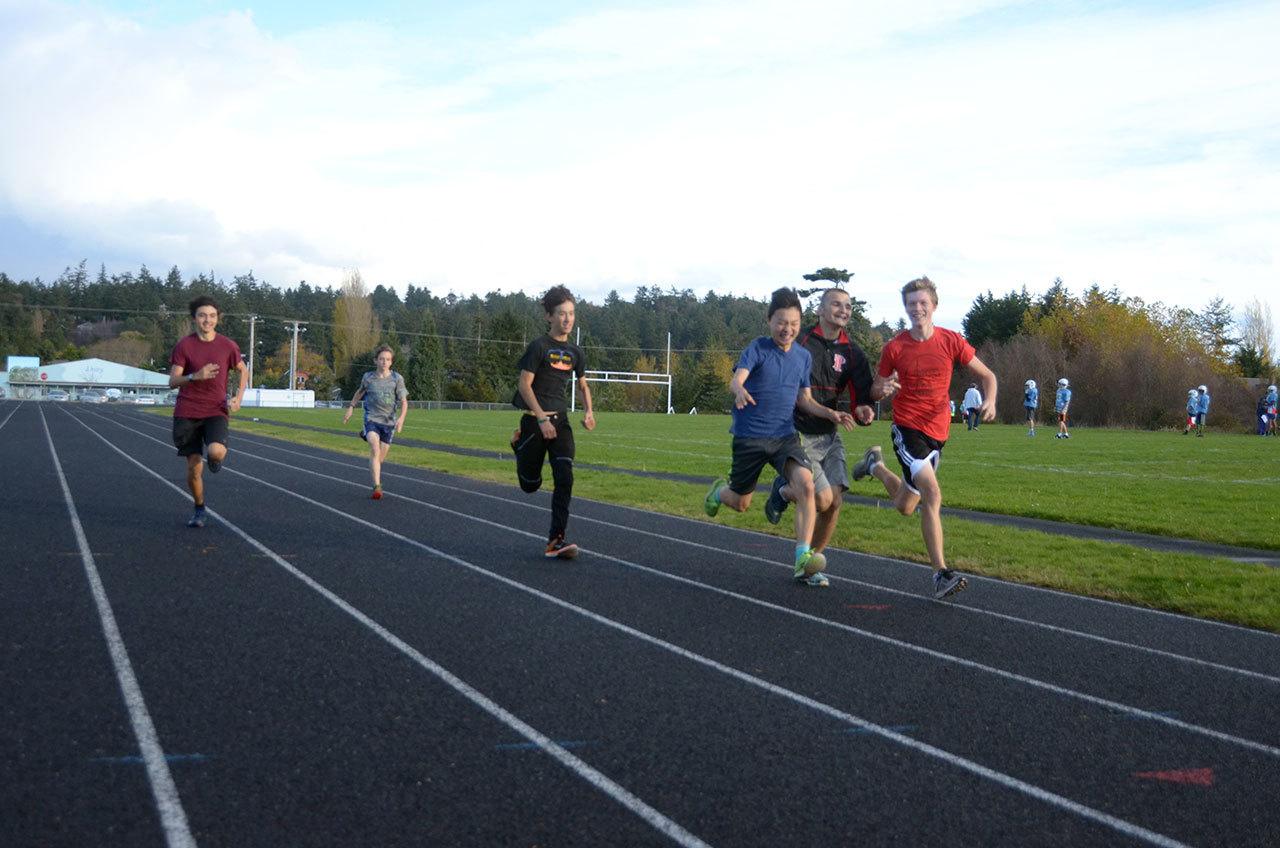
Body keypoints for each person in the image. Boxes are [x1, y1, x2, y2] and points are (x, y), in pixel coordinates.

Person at [849, 277, 997, 600]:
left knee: (905, 505)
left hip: (938, 432)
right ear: (906, 307)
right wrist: (882, 390)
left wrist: (991, 400)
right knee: (932, 493)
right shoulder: (895, 347)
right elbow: (875, 388)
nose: (916, 308)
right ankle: (940, 574)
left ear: (934, 305)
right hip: (907, 428)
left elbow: (988, 375)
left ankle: (874, 466)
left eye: (922, 303)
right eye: (911, 303)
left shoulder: (951, 341)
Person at [704, 287, 856, 586]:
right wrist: (739, 390)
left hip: (784, 437)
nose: (787, 329)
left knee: (806, 485)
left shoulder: (801, 357)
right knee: (741, 503)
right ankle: (720, 492)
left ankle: (802, 559)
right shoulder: (757, 349)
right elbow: (737, 379)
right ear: (769, 320)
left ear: (800, 323)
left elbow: (804, 399)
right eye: (781, 322)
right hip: (750, 438)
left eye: (794, 323)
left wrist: (829, 414)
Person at [763, 287, 898, 575]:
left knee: (834, 503)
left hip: (829, 433)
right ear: (820, 310)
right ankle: (784, 490)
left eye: (848, 306)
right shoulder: (799, 343)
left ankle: (810, 563)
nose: (844, 310)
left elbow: (862, 399)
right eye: (836, 304)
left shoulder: (852, 353)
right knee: (821, 498)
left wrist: (865, 410)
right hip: (796, 431)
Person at [510, 286, 596, 558]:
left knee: (565, 477)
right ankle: (519, 444)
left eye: (571, 313)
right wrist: (540, 417)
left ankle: (555, 540)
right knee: (530, 485)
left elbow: (582, 385)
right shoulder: (539, 347)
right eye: (562, 314)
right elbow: (524, 386)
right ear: (549, 316)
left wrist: (589, 412)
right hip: (535, 421)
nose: (567, 319)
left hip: (561, 422)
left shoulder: (575, 352)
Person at [168, 295, 247, 528]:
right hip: (187, 411)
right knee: (193, 468)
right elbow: (172, 381)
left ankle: (214, 459)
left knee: (215, 452)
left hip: (215, 409)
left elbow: (243, 371)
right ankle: (199, 507)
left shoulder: (228, 345)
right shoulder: (185, 346)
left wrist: (239, 397)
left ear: (218, 319)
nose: (207, 320)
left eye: (212, 316)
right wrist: (195, 376)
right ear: (194, 319)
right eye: (202, 315)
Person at [343, 344, 409, 499]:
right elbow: (359, 393)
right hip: (372, 418)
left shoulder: (397, 379)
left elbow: (404, 402)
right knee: (375, 448)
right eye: (381, 359)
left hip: (389, 422)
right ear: (376, 361)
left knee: (380, 458)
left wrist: (401, 419)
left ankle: (366, 437)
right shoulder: (368, 377)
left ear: (391, 362)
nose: (384, 362)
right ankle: (377, 487)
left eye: (387, 359)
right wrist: (351, 407)